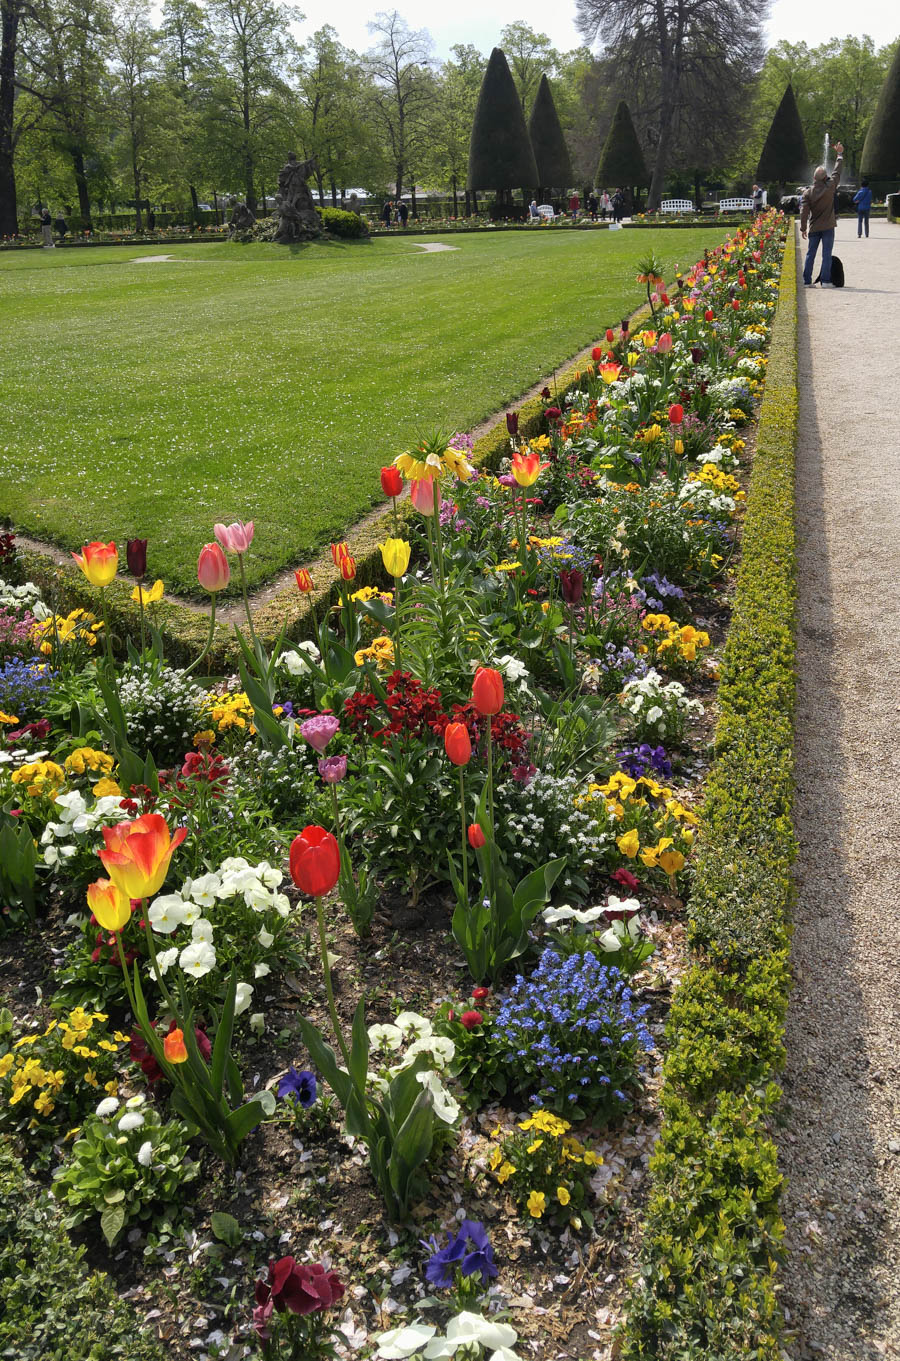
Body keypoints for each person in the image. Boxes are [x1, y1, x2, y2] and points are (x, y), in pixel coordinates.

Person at [800, 141, 843, 286]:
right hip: (828, 226)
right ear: (825, 178)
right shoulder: (830, 187)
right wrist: (839, 155)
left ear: (813, 178)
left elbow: (804, 212)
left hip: (814, 227)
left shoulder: (807, 192)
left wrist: (803, 228)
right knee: (826, 255)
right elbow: (836, 173)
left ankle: (806, 281)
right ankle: (825, 281)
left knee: (810, 254)